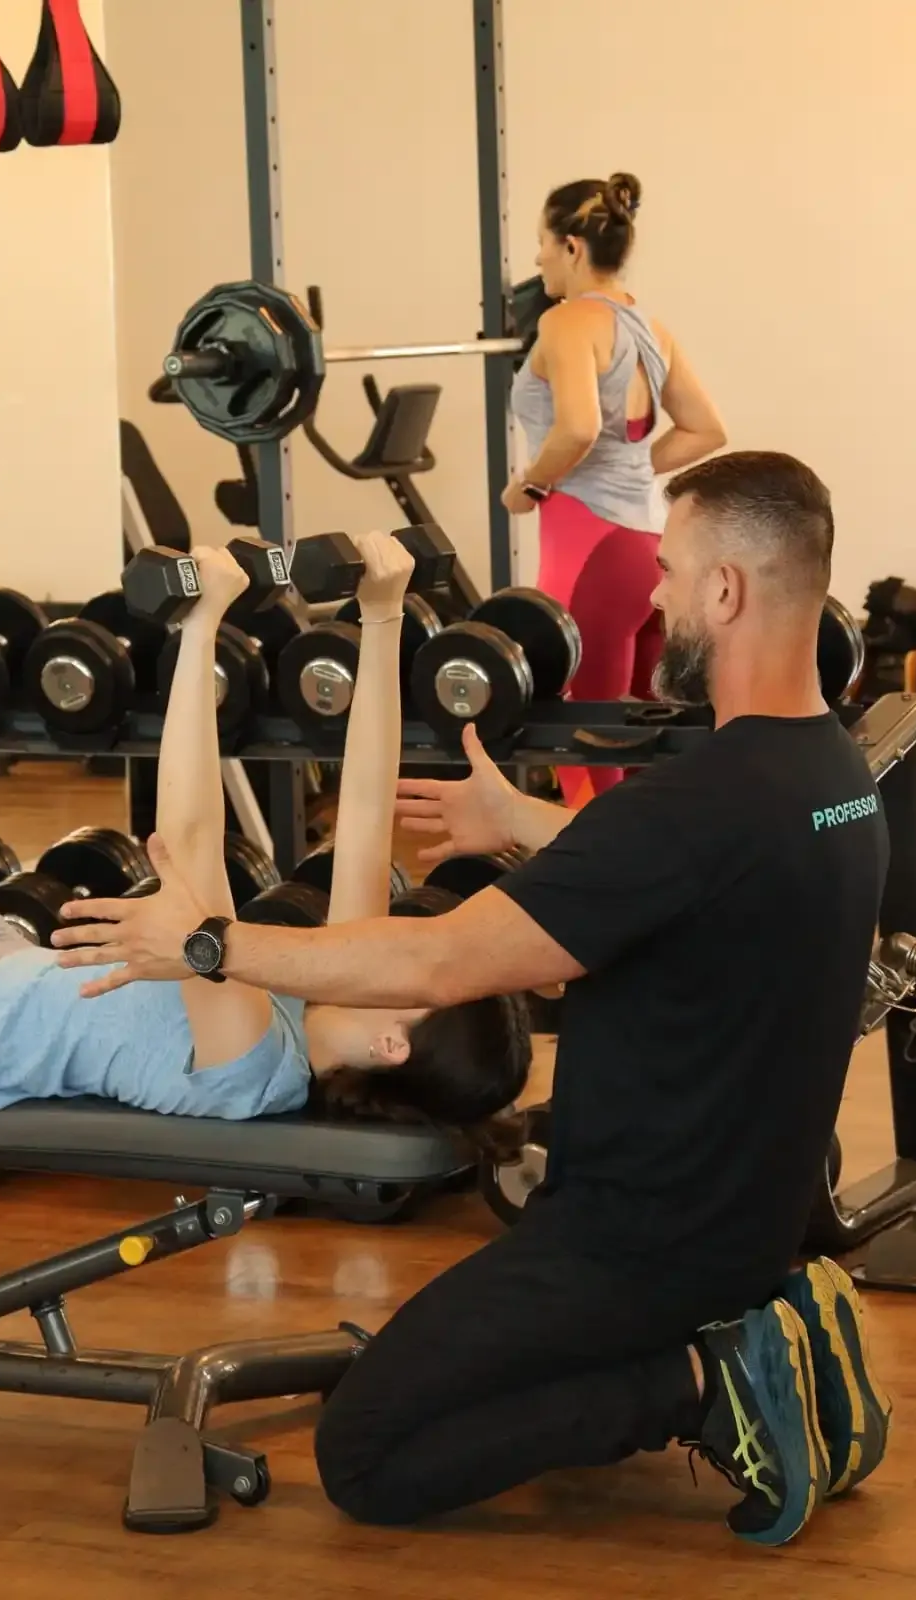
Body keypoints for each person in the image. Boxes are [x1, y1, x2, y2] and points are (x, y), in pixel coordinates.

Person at [53, 451, 892, 1547]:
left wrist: (211, 941)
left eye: (672, 572)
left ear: (726, 592)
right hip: (745, 1225)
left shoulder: (693, 807)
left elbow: (440, 965)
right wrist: (527, 828)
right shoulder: (830, 780)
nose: (655, 595)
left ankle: (707, 1384)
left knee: (366, 1452)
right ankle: (760, 1331)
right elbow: (695, 878)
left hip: (627, 1246)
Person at [0, 532, 530, 1135]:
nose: (414, 954)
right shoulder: (316, 991)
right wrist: (382, 616)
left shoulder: (252, 1064)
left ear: (391, 1045)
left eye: (424, 982)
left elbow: (190, 841)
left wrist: (200, 630)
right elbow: (364, 814)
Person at [505, 170, 726, 802]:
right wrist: (628, 466)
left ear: (572, 247)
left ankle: (604, 892)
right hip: (649, 551)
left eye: (542, 243)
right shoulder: (651, 330)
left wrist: (530, 486)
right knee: (649, 744)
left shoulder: (568, 322)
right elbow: (705, 430)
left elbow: (578, 425)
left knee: (580, 746)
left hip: (589, 557)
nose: (537, 258)